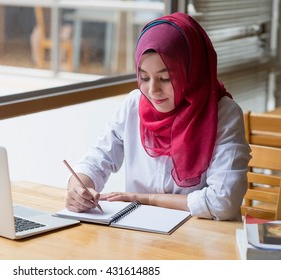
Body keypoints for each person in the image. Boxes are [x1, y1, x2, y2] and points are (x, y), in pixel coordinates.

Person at [65, 12, 251, 221]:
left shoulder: (223, 114)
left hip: (201, 239)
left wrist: (145, 199)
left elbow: (222, 203)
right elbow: (99, 159)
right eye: (144, 77)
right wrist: (78, 187)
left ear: (191, 70)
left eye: (165, 78)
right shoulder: (134, 105)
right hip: (140, 235)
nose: (153, 90)